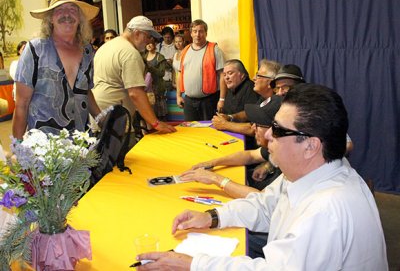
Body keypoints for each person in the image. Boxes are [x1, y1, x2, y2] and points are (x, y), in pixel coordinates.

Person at [136, 83, 388, 271]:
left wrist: (193, 265)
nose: (267, 136)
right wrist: (212, 217)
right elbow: (267, 205)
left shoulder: (326, 209)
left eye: (277, 130)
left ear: (310, 145)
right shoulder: (309, 173)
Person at [12, 0, 102, 139]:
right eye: (59, 9)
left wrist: (102, 118)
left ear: (79, 17)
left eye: (72, 9)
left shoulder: (87, 51)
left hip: (82, 145)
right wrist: (18, 147)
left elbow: (85, 91)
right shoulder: (35, 50)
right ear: (50, 18)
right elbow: (22, 104)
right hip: (46, 151)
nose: (66, 14)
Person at [179, 95, 282, 199]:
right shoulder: (278, 146)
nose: (253, 127)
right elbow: (251, 155)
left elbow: (263, 199)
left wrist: (215, 178)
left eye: (259, 124)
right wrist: (212, 163)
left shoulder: (291, 161)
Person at [92, 15, 176, 134]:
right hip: (115, 119)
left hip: (99, 113)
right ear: (137, 33)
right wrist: (155, 123)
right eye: (147, 36)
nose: (149, 40)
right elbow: (135, 93)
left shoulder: (106, 46)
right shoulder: (130, 53)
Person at [212, 59, 280, 136]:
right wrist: (230, 117)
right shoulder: (264, 97)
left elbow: (253, 129)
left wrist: (225, 124)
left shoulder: (275, 104)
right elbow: (248, 114)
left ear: (270, 83)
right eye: (224, 75)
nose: (254, 78)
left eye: (258, 75)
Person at [176, 19, 226, 121]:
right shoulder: (185, 51)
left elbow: (222, 76)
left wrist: (222, 99)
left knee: (209, 131)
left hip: (209, 101)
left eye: (201, 31)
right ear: (191, 34)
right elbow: (180, 74)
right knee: (191, 131)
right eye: (195, 31)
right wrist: (178, 96)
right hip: (189, 101)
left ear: (206, 33)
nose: (197, 34)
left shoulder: (214, 49)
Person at [142, 40, 168, 120]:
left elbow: (161, 73)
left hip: (157, 88)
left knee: (160, 115)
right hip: (146, 89)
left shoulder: (160, 57)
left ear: (154, 44)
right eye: (147, 44)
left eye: (150, 43)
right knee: (149, 114)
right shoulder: (143, 57)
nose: (148, 45)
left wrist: (151, 68)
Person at [157, 26, 176, 90]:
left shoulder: (176, 46)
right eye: (165, 37)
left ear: (172, 37)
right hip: (162, 79)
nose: (167, 39)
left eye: (169, 37)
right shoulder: (158, 47)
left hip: (174, 78)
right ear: (162, 36)